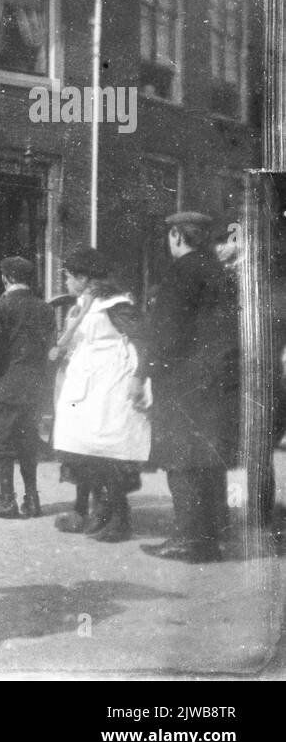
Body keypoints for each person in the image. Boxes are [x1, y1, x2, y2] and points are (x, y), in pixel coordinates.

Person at [135, 212, 239, 564]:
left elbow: (165, 332)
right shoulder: (220, 273)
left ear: (178, 236)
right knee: (208, 461)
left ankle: (189, 540)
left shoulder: (181, 273)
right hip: (217, 383)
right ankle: (212, 537)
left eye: (170, 235)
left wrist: (142, 374)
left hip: (182, 383)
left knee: (180, 461)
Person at [49, 246, 150, 543]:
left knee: (109, 452)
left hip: (109, 384)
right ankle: (95, 511)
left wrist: (139, 377)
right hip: (85, 384)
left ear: (83, 277)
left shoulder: (115, 304)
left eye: (69, 277)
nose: (66, 283)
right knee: (83, 450)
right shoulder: (83, 304)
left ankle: (119, 518)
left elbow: (144, 338)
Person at [0, 256, 56, 519]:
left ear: (6, 278)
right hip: (33, 388)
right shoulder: (45, 309)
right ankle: (32, 500)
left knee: (0, 442)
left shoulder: (3, 307)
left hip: (5, 387)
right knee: (28, 442)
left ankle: (7, 499)